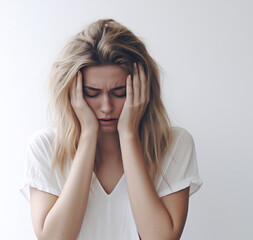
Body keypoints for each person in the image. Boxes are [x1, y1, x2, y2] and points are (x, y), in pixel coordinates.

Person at [20, 19, 202, 240]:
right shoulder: (45, 147)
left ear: (142, 89)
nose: (106, 107)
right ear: (72, 92)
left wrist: (129, 135)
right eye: (92, 93)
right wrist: (88, 136)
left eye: (120, 92)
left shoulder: (175, 145)